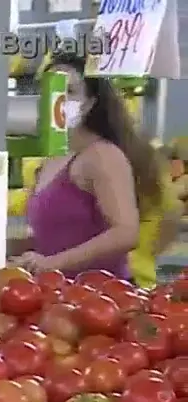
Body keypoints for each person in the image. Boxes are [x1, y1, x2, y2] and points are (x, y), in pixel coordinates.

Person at [17, 53, 171, 284]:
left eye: (69, 92)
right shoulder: (53, 158)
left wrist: (52, 264)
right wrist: (9, 246)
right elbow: (60, 234)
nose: (57, 100)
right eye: (50, 91)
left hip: (101, 297)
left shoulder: (102, 156)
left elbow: (126, 233)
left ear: (89, 103)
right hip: (56, 294)